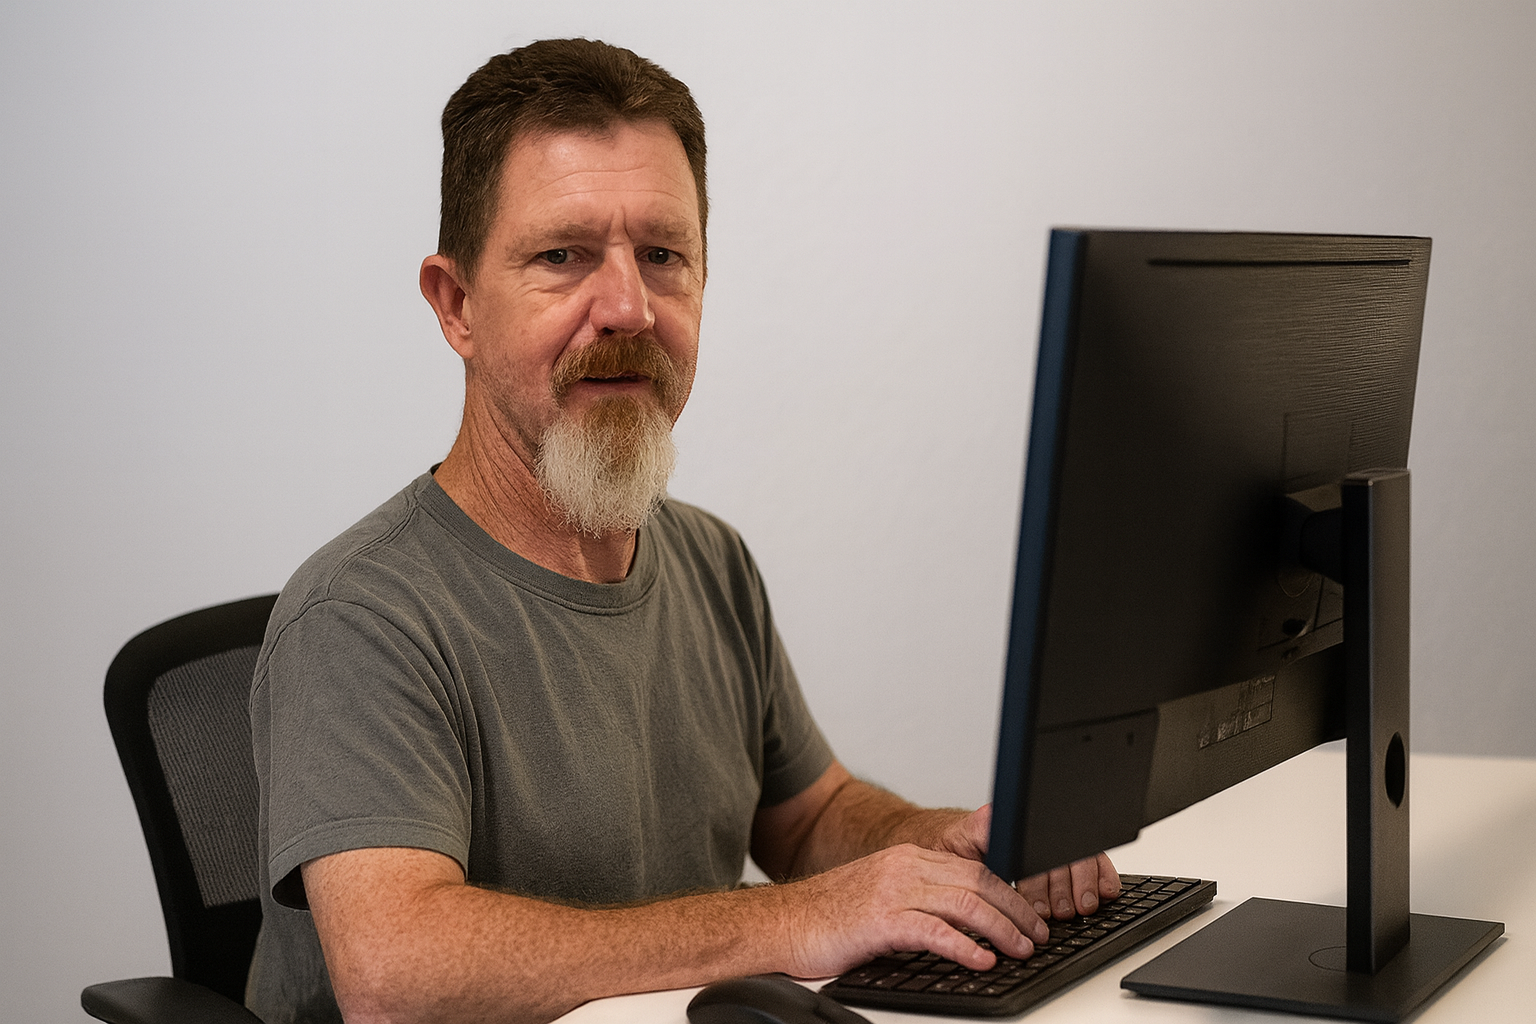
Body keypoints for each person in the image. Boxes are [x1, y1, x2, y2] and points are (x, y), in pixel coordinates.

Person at [248, 38, 1117, 1024]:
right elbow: (397, 975)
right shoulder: (360, 615)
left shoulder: (709, 559)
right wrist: (793, 921)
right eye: (562, 255)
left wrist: (941, 847)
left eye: (663, 256)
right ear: (456, 306)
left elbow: (813, 819)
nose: (628, 307)